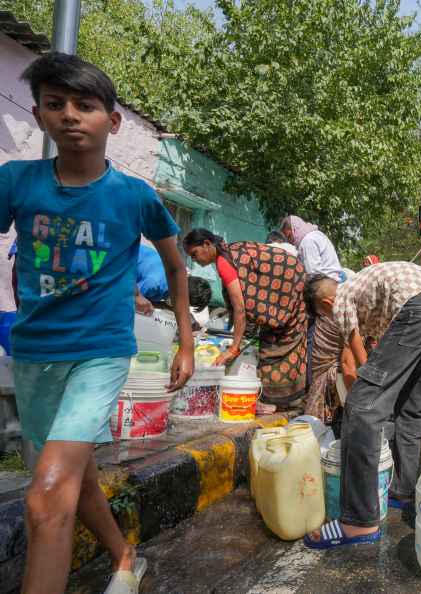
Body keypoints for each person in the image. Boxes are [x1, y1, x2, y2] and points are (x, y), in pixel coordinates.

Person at [1, 53, 194, 594]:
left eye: (85, 106)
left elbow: (176, 265)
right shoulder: (18, 183)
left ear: (111, 121)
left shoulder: (134, 196)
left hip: (100, 354)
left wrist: (186, 341)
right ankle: (126, 557)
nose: (69, 116)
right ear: (38, 115)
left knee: (46, 492)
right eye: (55, 104)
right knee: (72, 482)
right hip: (36, 352)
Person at [302, 263, 421, 548]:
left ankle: (358, 521)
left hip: (419, 307)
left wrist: (368, 390)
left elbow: (363, 362)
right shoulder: (363, 291)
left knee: (361, 406)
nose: (331, 319)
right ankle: (404, 490)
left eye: (325, 315)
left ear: (326, 303)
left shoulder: (342, 296)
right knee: (409, 407)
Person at [183, 229, 308, 412]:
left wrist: (234, 348)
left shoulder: (225, 263)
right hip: (291, 285)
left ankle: (275, 402)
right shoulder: (230, 251)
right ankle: (285, 402)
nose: (195, 261)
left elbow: (240, 308)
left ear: (207, 244)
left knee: (276, 348)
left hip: (290, 290)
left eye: (194, 254)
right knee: (275, 343)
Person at [280, 215, 343, 281]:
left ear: (294, 229)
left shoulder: (307, 241)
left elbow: (313, 273)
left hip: (327, 281)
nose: (289, 242)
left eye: (289, 236)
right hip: (333, 277)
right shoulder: (315, 234)